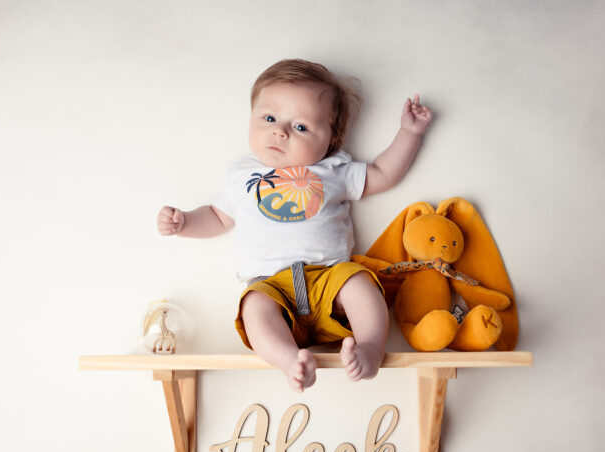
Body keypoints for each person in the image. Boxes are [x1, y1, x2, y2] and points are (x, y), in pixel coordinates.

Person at [158, 59, 432, 392]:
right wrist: (185, 221)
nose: (280, 131)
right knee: (253, 307)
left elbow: (383, 173)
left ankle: (371, 348)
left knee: (361, 285)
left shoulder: (334, 169)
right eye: (269, 118)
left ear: (330, 141)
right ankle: (290, 361)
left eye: (300, 127)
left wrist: (409, 133)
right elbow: (216, 217)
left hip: (329, 277)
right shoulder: (241, 176)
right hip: (272, 287)